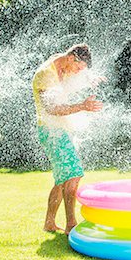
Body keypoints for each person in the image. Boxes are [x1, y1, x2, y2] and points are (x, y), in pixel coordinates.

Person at [32, 43, 103, 234]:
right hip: (51, 131)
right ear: (72, 58)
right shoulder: (46, 75)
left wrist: (89, 78)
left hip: (57, 130)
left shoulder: (62, 61)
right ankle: (71, 224)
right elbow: (51, 109)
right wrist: (82, 106)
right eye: (78, 68)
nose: (77, 72)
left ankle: (49, 222)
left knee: (62, 178)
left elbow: (75, 77)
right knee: (74, 173)